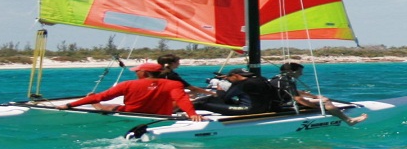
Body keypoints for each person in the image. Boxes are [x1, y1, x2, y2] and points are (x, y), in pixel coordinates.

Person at [58, 62, 203, 121]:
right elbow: (182, 100)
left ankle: (98, 108)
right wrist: (192, 114)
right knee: (175, 101)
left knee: (106, 105)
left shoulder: (127, 84)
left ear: (144, 73)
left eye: (137, 71)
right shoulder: (173, 84)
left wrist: (69, 105)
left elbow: (102, 96)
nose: (136, 73)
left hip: (131, 113)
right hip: (160, 115)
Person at [275, 62, 367, 125]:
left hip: (279, 101)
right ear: (291, 71)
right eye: (300, 72)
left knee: (319, 99)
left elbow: (296, 92)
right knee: (326, 101)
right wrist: (315, 106)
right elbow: (298, 99)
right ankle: (349, 120)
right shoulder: (287, 81)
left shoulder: (277, 78)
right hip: (284, 104)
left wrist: (314, 96)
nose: (301, 74)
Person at [192, 67, 281, 115]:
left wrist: (219, 88)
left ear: (236, 76)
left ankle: (182, 111)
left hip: (249, 110)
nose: (229, 80)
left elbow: (224, 98)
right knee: (211, 99)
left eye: (230, 78)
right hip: (265, 108)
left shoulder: (241, 84)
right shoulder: (261, 79)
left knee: (202, 103)